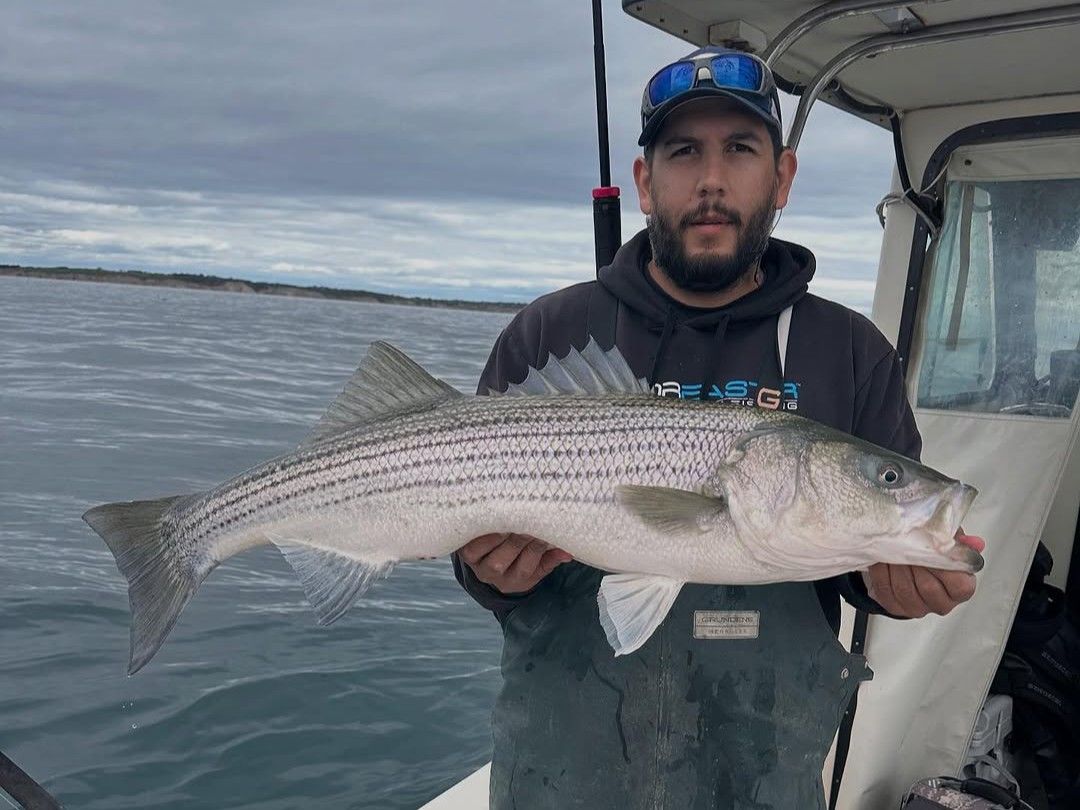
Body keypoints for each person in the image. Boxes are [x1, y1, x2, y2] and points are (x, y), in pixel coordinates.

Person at [452, 46, 984, 809]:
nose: (711, 180)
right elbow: (467, 547)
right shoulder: (552, 334)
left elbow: (860, 570)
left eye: (740, 149)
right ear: (644, 181)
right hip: (567, 759)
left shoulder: (851, 351)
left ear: (783, 177)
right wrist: (487, 574)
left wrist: (893, 586)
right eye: (682, 152)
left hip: (762, 761)